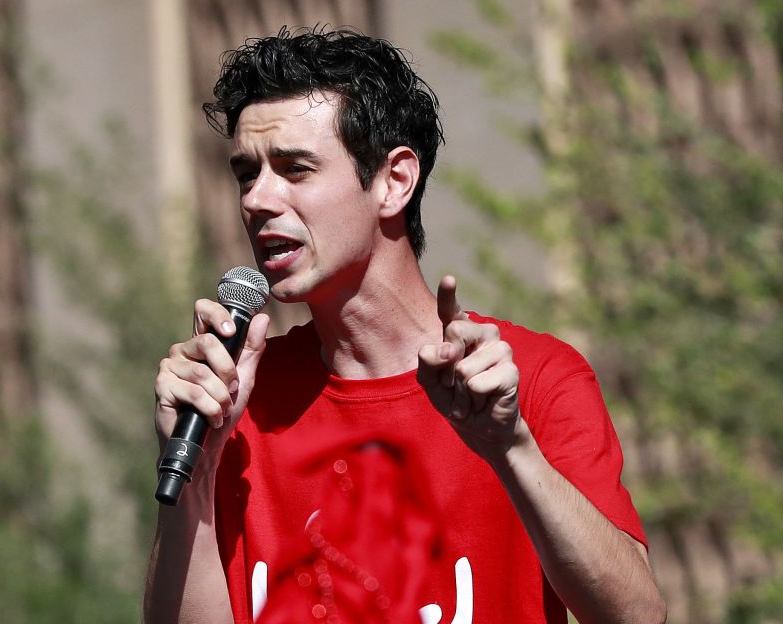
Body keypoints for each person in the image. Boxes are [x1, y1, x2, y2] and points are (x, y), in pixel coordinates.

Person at [146, 27, 666, 624]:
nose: (257, 199)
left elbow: (638, 616)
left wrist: (510, 446)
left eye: (295, 169)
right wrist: (198, 470)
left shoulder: (533, 380)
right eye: (246, 173)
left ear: (394, 182)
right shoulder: (237, 400)